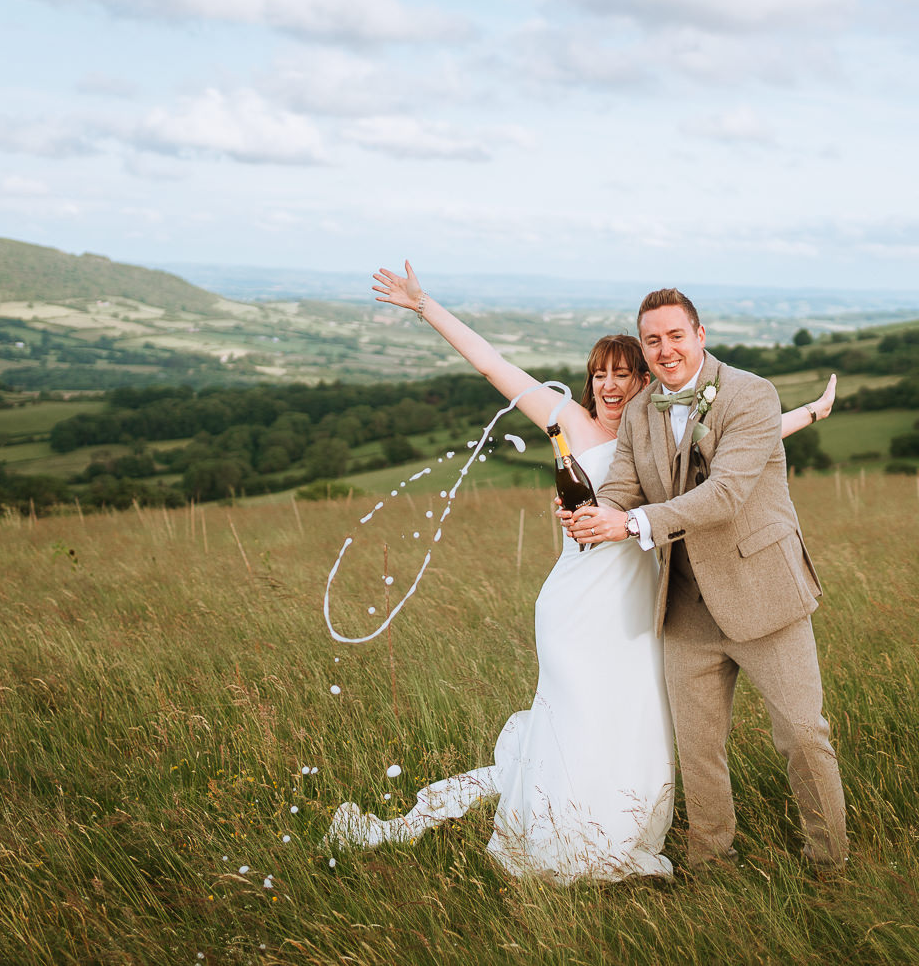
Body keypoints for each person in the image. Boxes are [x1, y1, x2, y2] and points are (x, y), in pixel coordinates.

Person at [325, 263, 837, 884]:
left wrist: (809, 413)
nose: (612, 386)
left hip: (695, 600)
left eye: (626, 373)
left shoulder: (698, 411)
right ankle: (611, 842)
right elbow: (496, 368)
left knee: (675, 722)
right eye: (602, 374)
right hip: (607, 601)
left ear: (685, 347)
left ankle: (793, 860)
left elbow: (738, 460)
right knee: (635, 728)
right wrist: (425, 305)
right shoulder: (589, 422)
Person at [568, 288, 848, 874]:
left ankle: (831, 868)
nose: (665, 350)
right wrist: (595, 514)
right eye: (652, 341)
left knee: (802, 734)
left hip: (763, 592)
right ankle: (709, 868)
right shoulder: (642, 410)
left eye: (675, 335)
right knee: (697, 750)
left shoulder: (751, 394)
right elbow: (625, 484)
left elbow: (724, 495)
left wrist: (632, 523)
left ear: (700, 335)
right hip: (684, 603)